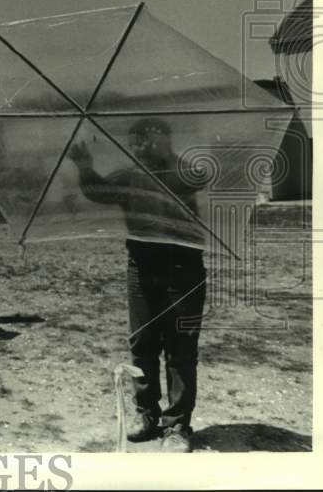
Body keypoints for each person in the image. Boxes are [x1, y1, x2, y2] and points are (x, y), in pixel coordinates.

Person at [67, 117, 205, 453]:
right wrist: (85, 166)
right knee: (142, 344)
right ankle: (146, 415)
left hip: (183, 269)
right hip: (141, 269)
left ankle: (177, 428)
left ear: (165, 140)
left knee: (180, 348)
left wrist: (167, 164)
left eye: (148, 139)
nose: (140, 146)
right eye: (136, 141)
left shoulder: (182, 172)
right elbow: (99, 191)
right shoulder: (130, 176)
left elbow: (200, 178)